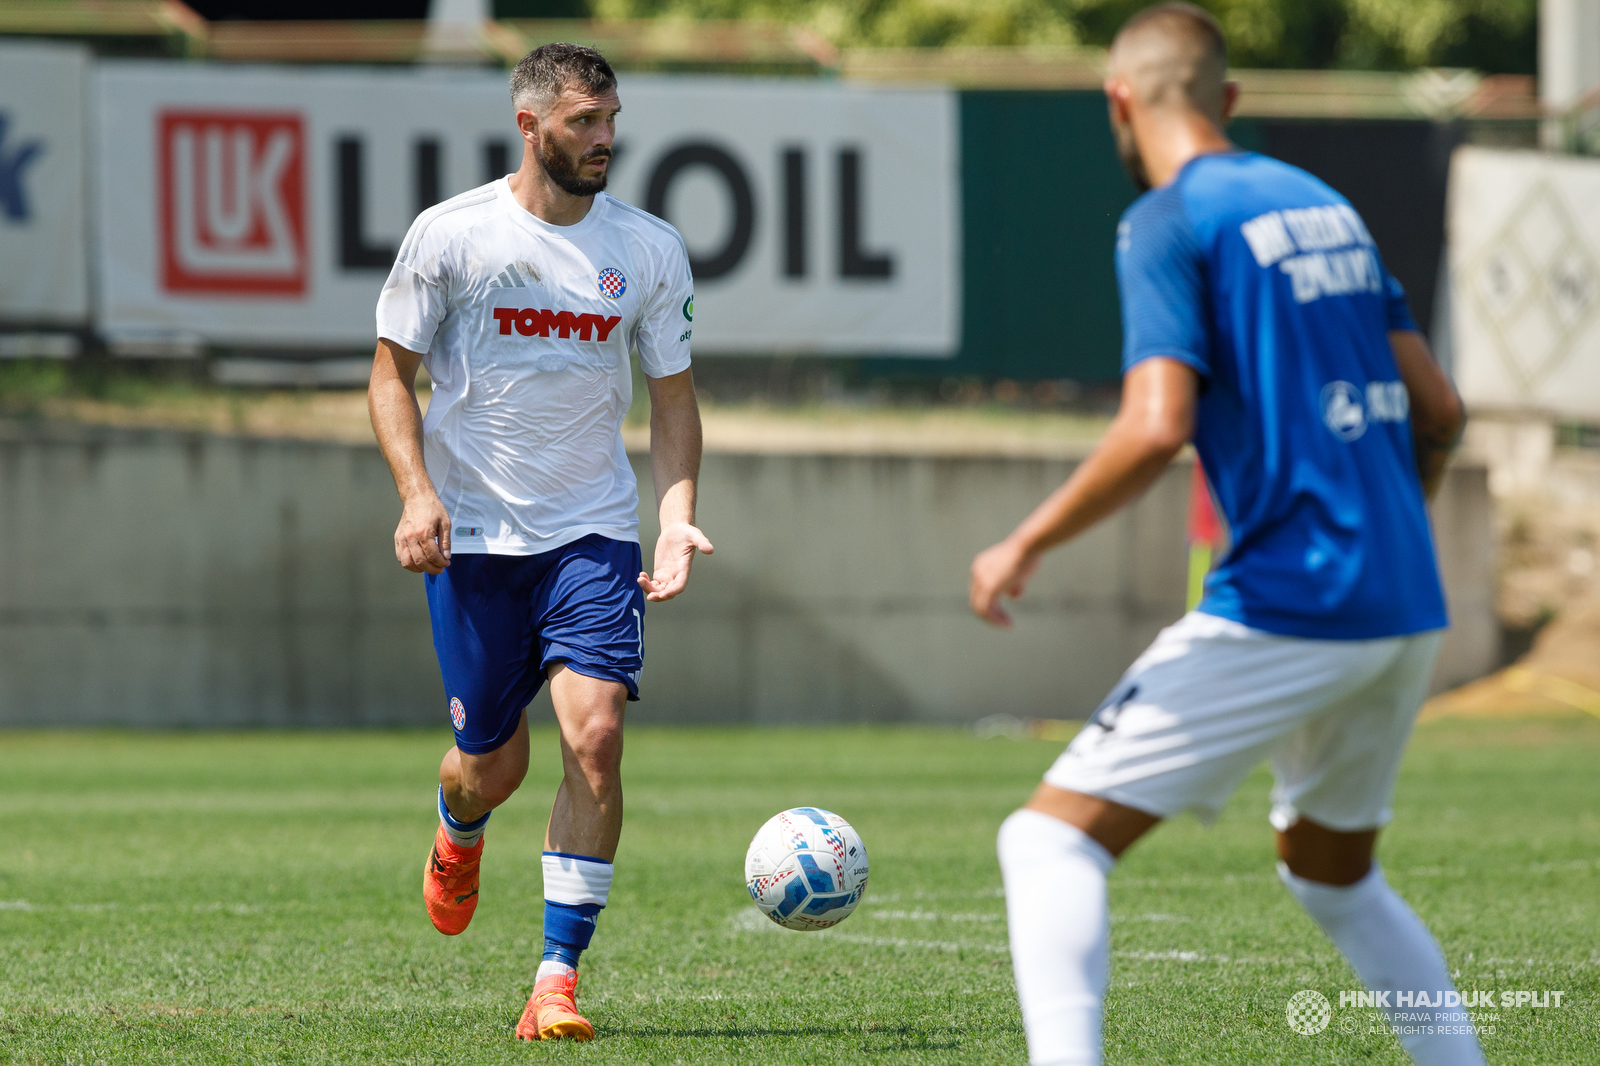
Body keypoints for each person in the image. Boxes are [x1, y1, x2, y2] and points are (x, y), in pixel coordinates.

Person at [968, 6, 1485, 1065]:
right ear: (1231, 99)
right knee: (1332, 875)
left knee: (1047, 841)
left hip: (1293, 599)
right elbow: (1438, 408)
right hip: (1401, 599)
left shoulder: (1167, 220)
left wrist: (1023, 542)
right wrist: (1387, 528)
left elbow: (1157, 424)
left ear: (1118, 100)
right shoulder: (1325, 205)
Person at [368, 42, 709, 1042]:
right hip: (472, 538)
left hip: (592, 534)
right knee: (491, 764)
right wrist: (415, 494)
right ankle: (459, 822)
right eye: (581, 123)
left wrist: (676, 510)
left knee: (595, 738)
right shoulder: (451, 236)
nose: (605, 140)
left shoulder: (646, 248)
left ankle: (555, 977)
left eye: (610, 120)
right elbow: (390, 375)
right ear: (529, 125)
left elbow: (675, 397)